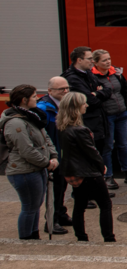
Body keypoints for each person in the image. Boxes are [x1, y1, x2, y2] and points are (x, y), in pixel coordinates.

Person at [56, 91, 113, 242]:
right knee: (105, 204)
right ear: (76, 108)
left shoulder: (63, 128)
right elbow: (92, 153)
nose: (86, 105)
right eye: (83, 103)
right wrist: (102, 168)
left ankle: (81, 236)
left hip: (74, 173)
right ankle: (108, 237)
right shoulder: (81, 131)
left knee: (79, 206)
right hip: (89, 173)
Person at [4, 85, 58, 240]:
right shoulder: (16, 122)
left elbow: (45, 137)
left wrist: (53, 156)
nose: (37, 98)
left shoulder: (31, 116)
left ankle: (34, 236)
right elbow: (26, 150)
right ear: (24, 100)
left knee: (35, 205)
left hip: (36, 168)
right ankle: (26, 239)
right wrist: (47, 163)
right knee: (29, 207)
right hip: (24, 171)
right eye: (34, 96)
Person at [90, 50, 127, 188]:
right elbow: (94, 97)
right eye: (104, 60)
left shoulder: (116, 74)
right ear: (96, 62)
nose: (108, 62)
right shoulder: (93, 77)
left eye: (109, 59)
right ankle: (108, 176)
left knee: (123, 144)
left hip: (121, 114)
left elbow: (126, 90)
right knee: (108, 146)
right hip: (107, 116)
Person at [62, 47, 110, 164]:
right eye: (89, 58)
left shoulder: (88, 73)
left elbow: (108, 90)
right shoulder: (72, 78)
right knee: (90, 161)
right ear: (79, 60)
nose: (92, 61)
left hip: (98, 124)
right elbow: (91, 101)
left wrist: (97, 93)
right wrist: (99, 95)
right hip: (88, 125)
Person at [37, 77, 71, 234]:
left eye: (66, 88)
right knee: (54, 189)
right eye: (61, 89)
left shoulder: (63, 105)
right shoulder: (44, 109)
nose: (65, 91)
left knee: (62, 187)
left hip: (63, 154)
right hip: (53, 156)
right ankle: (52, 221)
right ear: (50, 91)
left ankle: (61, 214)